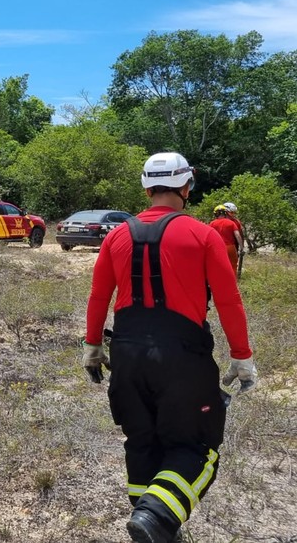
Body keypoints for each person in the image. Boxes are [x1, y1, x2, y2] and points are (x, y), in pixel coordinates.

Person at [84, 152, 256, 543]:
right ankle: (155, 518)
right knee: (196, 446)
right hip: (181, 359)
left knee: (143, 442)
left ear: (147, 187)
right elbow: (229, 301)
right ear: (186, 186)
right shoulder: (203, 234)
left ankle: (156, 526)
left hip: (126, 356)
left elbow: (98, 296)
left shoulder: (116, 234)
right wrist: (242, 356)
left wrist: (92, 345)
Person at [209, 205, 243, 275]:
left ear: (216, 214)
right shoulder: (231, 223)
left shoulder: (212, 223)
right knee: (233, 266)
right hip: (230, 247)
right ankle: (233, 283)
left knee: (218, 266)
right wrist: (241, 247)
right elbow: (237, 235)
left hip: (217, 248)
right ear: (225, 213)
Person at [223, 202, 246, 277]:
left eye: (234, 212)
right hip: (222, 246)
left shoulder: (236, 222)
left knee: (233, 264)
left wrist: (241, 247)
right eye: (232, 212)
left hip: (233, 246)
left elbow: (240, 235)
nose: (233, 214)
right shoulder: (219, 220)